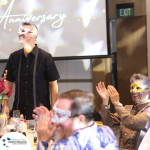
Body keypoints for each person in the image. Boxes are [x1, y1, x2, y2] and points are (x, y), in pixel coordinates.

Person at [2, 22, 60, 119]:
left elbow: (53, 85)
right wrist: (5, 105)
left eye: (23, 31)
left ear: (34, 34)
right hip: (18, 112)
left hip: (41, 113)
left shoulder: (45, 57)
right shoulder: (13, 57)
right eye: (19, 31)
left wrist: (53, 109)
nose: (20, 33)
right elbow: (8, 83)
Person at [33, 89, 119, 150]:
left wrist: (42, 142)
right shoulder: (107, 131)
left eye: (61, 115)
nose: (55, 121)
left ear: (80, 119)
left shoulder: (63, 146)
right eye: (55, 114)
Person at [96, 73, 150, 150]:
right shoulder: (127, 108)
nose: (133, 92)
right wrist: (105, 100)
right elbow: (107, 122)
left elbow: (133, 122)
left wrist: (117, 103)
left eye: (138, 88)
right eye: (132, 88)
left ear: (148, 91)